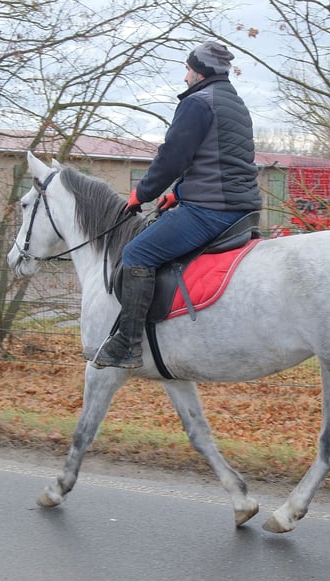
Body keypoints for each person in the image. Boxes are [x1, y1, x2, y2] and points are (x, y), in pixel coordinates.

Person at [94, 41, 262, 369]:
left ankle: (128, 345)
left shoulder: (198, 102)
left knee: (136, 253)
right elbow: (215, 159)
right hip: (241, 208)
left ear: (200, 72)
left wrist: (142, 193)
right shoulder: (234, 103)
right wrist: (178, 194)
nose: (185, 77)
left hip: (211, 211)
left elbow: (172, 157)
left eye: (187, 69)